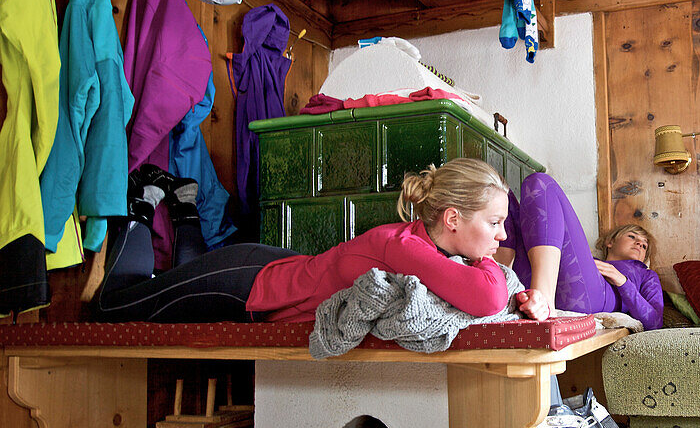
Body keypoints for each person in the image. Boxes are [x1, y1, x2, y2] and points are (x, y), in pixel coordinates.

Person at [94, 158, 549, 323]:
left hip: (270, 273)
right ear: (452, 218)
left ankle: (184, 213)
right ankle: (138, 206)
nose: (502, 235)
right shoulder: (407, 248)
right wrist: (501, 277)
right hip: (251, 283)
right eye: (494, 223)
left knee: (170, 285)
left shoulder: (435, 250)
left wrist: (524, 298)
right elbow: (489, 296)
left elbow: (496, 291)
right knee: (113, 309)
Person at [494, 172, 663, 331]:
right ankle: (500, 284)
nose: (640, 244)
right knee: (499, 191)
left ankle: (544, 303)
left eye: (644, 245)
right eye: (632, 237)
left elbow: (655, 322)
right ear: (610, 242)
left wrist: (622, 281)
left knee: (540, 183)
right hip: (548, 276)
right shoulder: (586, 261)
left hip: (592, 297)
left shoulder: (646, 275)